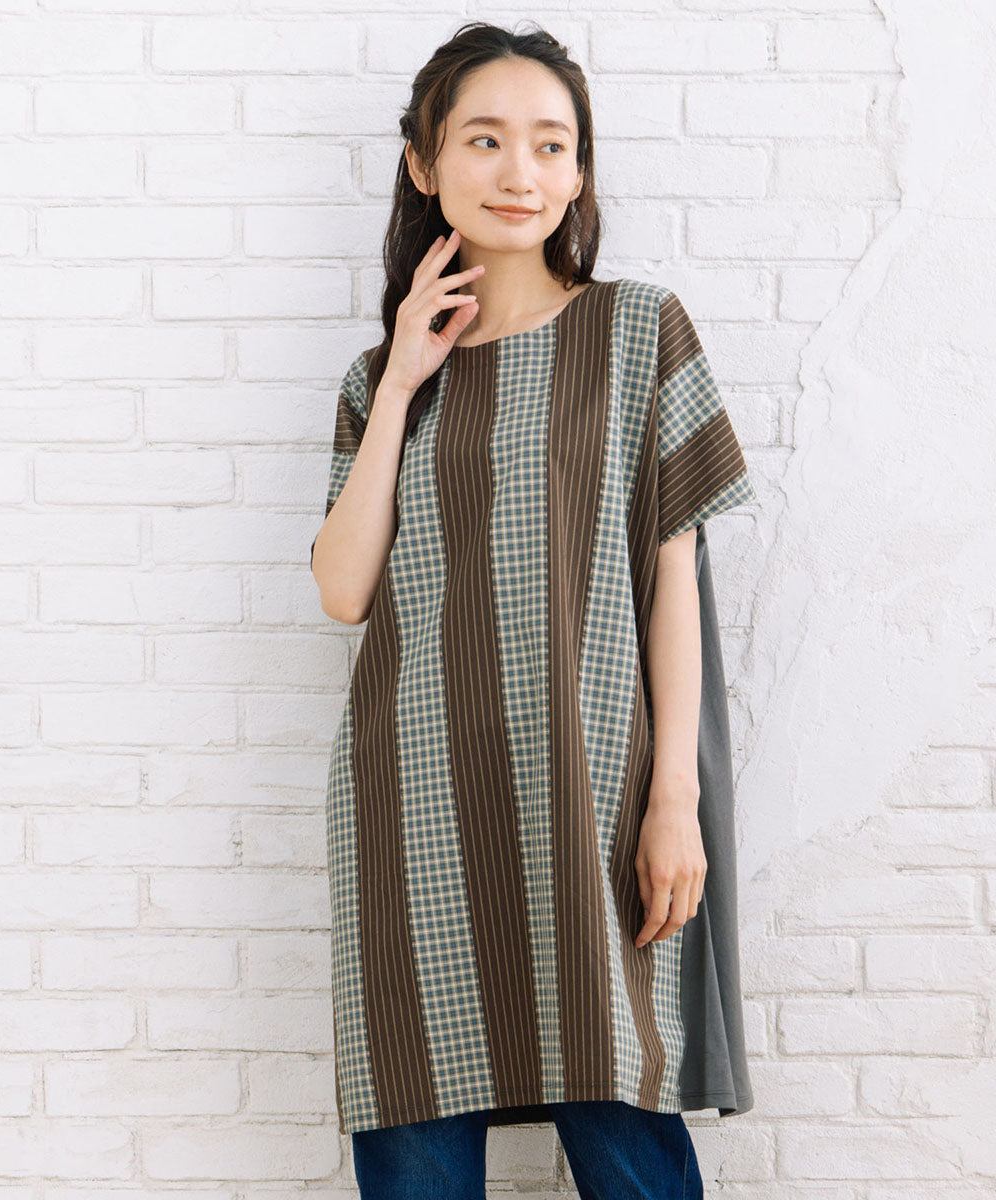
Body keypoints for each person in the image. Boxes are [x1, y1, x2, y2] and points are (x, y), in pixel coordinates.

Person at [309, 19, 757, 1200]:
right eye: (486, 140)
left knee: (627, 1141)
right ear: (424, 164)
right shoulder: (378, 382)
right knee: (414, 1135)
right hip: (412, 807)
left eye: (552, 145)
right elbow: (344, 590)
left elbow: (671, 579)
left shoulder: (638, 330)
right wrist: (404, 379)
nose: (521, 172)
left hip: (593, 797)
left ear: (578, 169)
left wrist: (674, 802)